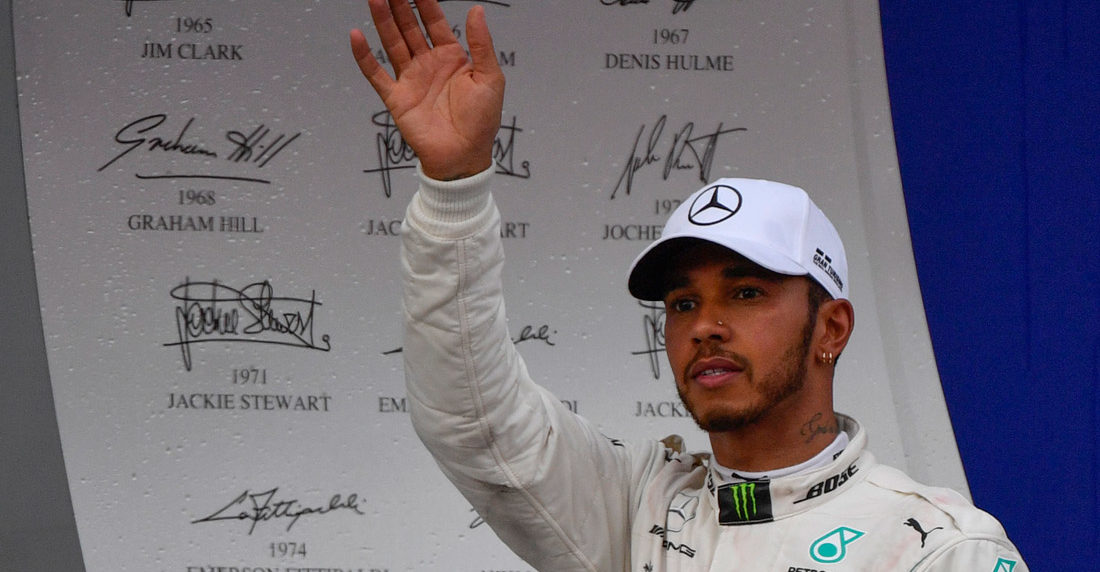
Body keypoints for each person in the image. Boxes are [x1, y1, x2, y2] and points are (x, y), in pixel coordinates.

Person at [350, 1, 1028, 570]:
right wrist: (454, 187)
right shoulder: (637, 508)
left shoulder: (939, 550)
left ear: (832, 327)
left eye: (747, 292)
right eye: (682, 303)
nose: (704, 325)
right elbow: (473, 419)